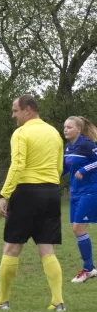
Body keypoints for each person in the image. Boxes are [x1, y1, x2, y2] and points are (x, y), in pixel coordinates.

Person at [0, 94, 65, 312]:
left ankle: (2, 300)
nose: (14, 116)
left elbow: (18, 165)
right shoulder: (54, 133)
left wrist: (4, 195)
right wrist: (50, 185)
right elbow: (59, 166)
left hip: (27, 192)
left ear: (27, 110)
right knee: (47, 248)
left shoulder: (21, 133)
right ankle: (57, 302)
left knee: (11, 247)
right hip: (51, 192)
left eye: (15, 111)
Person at [62, 116, 97, 283]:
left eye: (69, 127)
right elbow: (64, 168)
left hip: (90, 191)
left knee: (78, 228)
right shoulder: (68, 148)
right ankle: (89, 268)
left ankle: (88, 269)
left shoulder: (87, 145)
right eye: (64, 127)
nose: (65, 130)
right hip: (75, 193)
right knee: (75, 229)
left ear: (78, 129)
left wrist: (84, 169)